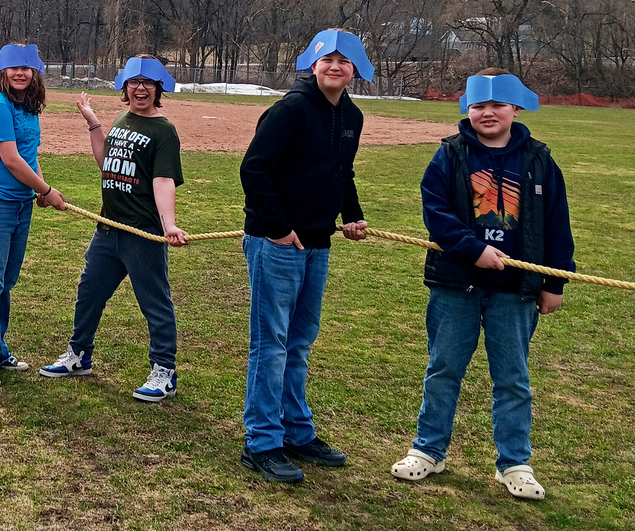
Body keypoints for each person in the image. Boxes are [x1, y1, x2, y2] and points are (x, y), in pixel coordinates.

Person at [390, 69, 575, 500]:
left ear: (516, 108)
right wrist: (473, 250)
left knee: (512, 377)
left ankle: (514, 462)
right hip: (457, 285)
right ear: (467, 110)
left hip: (516, 292)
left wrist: (554, 281)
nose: (488, 113)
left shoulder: (539, 160)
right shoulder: (450, 155)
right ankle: (428, 449)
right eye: (479, 106)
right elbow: (435, 212)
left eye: (497, 105)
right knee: (444, 369)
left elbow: (556, 224)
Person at [238, 29, 372, 484]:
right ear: (312, 64)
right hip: (277, 242)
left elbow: (342, 171)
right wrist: (276, 228)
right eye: (327, 59)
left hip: (318, 243)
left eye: (344, 60)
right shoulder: (290, 111)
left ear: (356, 69)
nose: (335, 66)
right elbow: (254, 169)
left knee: (299, 342)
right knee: (271, 343)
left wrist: (351, 214)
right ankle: (261, 442)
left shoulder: (351, 115)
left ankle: (297, 431)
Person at [40, 55, 188, 402]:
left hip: (141, 234)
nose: (140, 89)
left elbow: (164, 180)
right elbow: (106, 163)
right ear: (125, 87)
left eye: (147, 84)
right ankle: (79, 356)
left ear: (158, 89)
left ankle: (164, 371)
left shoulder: (163, 131)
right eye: (134, 83)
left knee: (155, 303)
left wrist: (169, 225)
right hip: (108, 229)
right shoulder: (124, 119)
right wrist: (94, 123)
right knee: (89, 293)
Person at [0, 44, 67, 387]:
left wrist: (39, 189)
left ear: (34, 73)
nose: (20, 73)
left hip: (22, 204)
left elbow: (29, 155)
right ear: (3, 73)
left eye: (26, 68)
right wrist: (48, 191)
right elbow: (11, 160)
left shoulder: (30, 109)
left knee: (6, 282)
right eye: (14, 69)